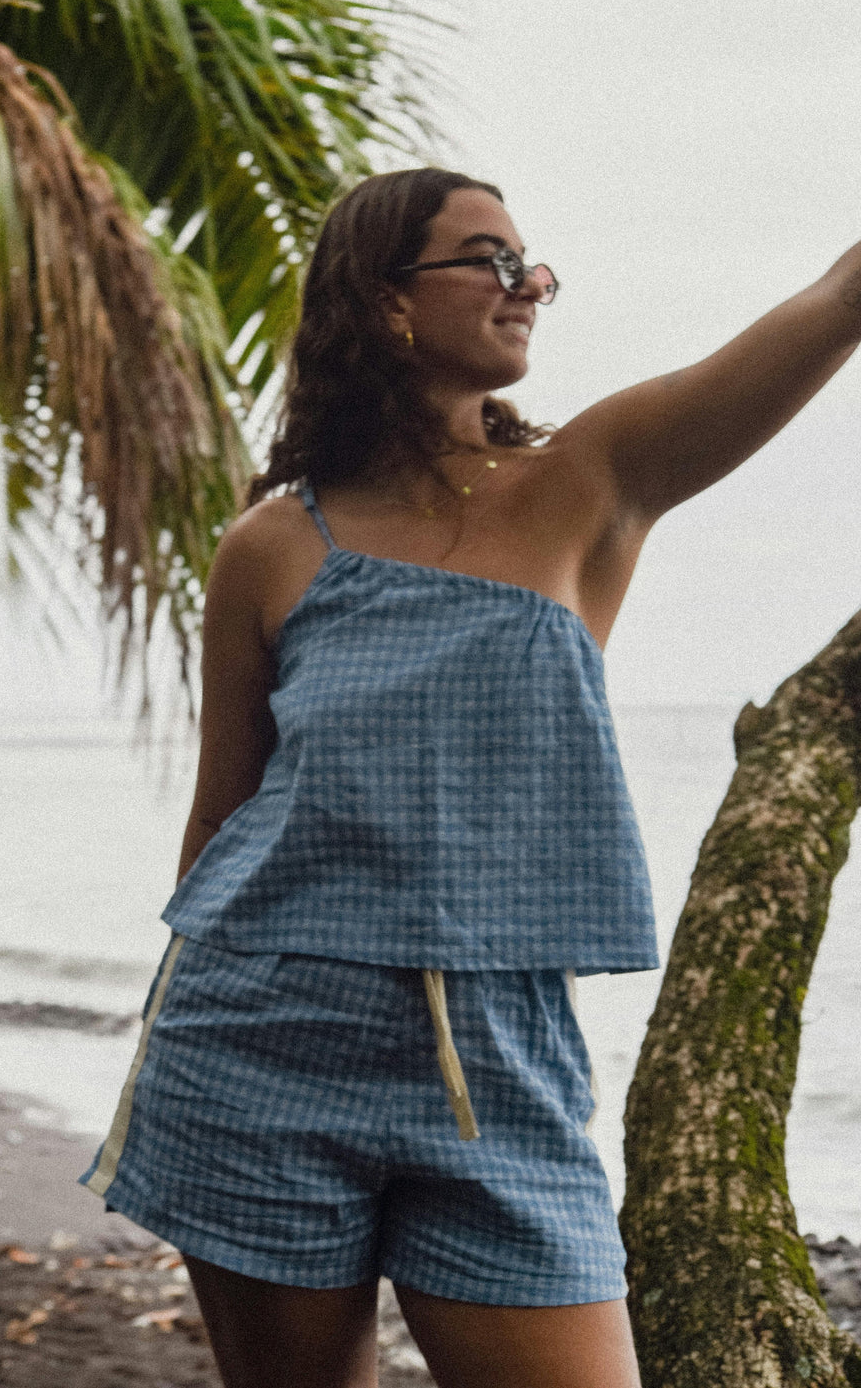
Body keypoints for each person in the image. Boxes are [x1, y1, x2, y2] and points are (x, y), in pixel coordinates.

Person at [80, 167, 861, 1388]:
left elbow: (834, 300)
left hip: (499, 1057)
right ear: (388, 302)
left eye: (532, 260)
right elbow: (223, 819)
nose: (531, 282)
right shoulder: (275, 544)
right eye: (491, 259)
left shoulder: (590, 478)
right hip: (259, 1043)